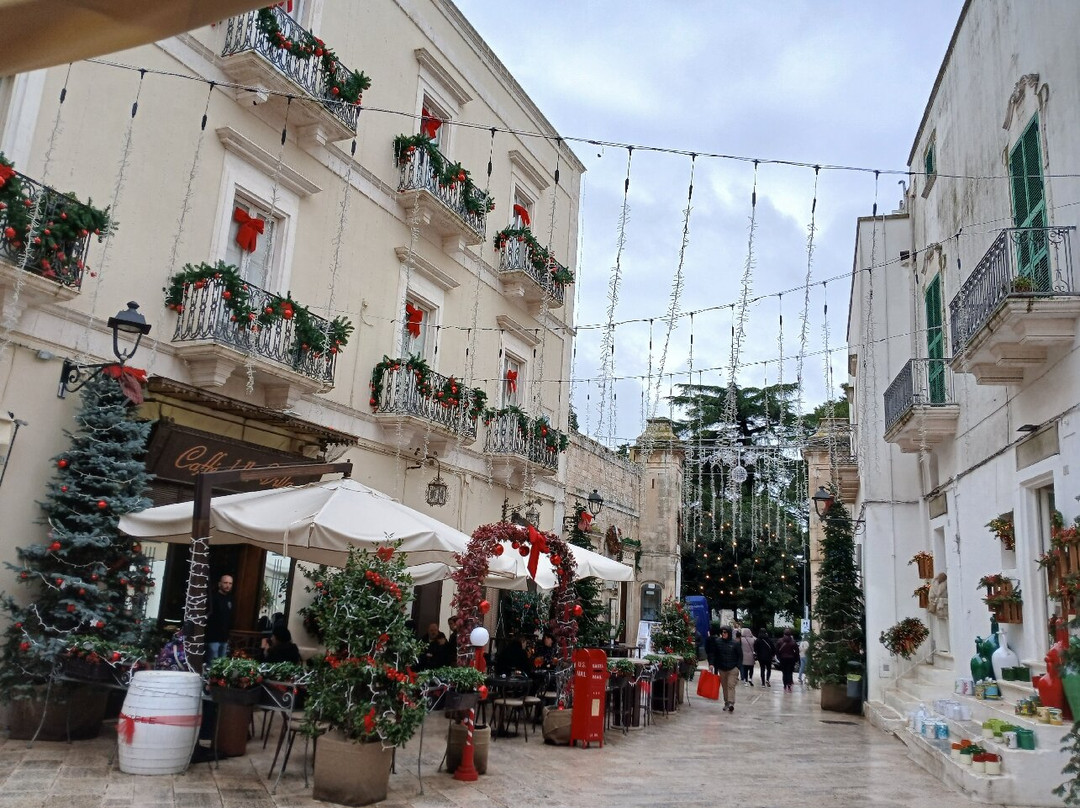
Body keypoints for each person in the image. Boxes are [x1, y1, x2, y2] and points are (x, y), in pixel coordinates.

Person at [206, 574, 235, 663]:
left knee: (222, 664)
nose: (228, 585)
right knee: (212, 663)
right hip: (213, 637)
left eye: (230, 583)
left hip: (224, 637)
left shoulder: (231, 599)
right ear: (220, 584)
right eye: (225, 583)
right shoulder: (213, 598)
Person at [713, 626, 742, 712]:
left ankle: (731, 702)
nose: (723, 634)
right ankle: (726, 702)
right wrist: (714, 665)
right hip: (722, 668)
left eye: (725, 632)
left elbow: (740, 655)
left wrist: (738, 667)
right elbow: (714, 654)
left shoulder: (735, 643)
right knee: (724, 686)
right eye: (722, 632)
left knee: (731, 685)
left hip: (733, 668)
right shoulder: (718, 642)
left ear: (729, 633)